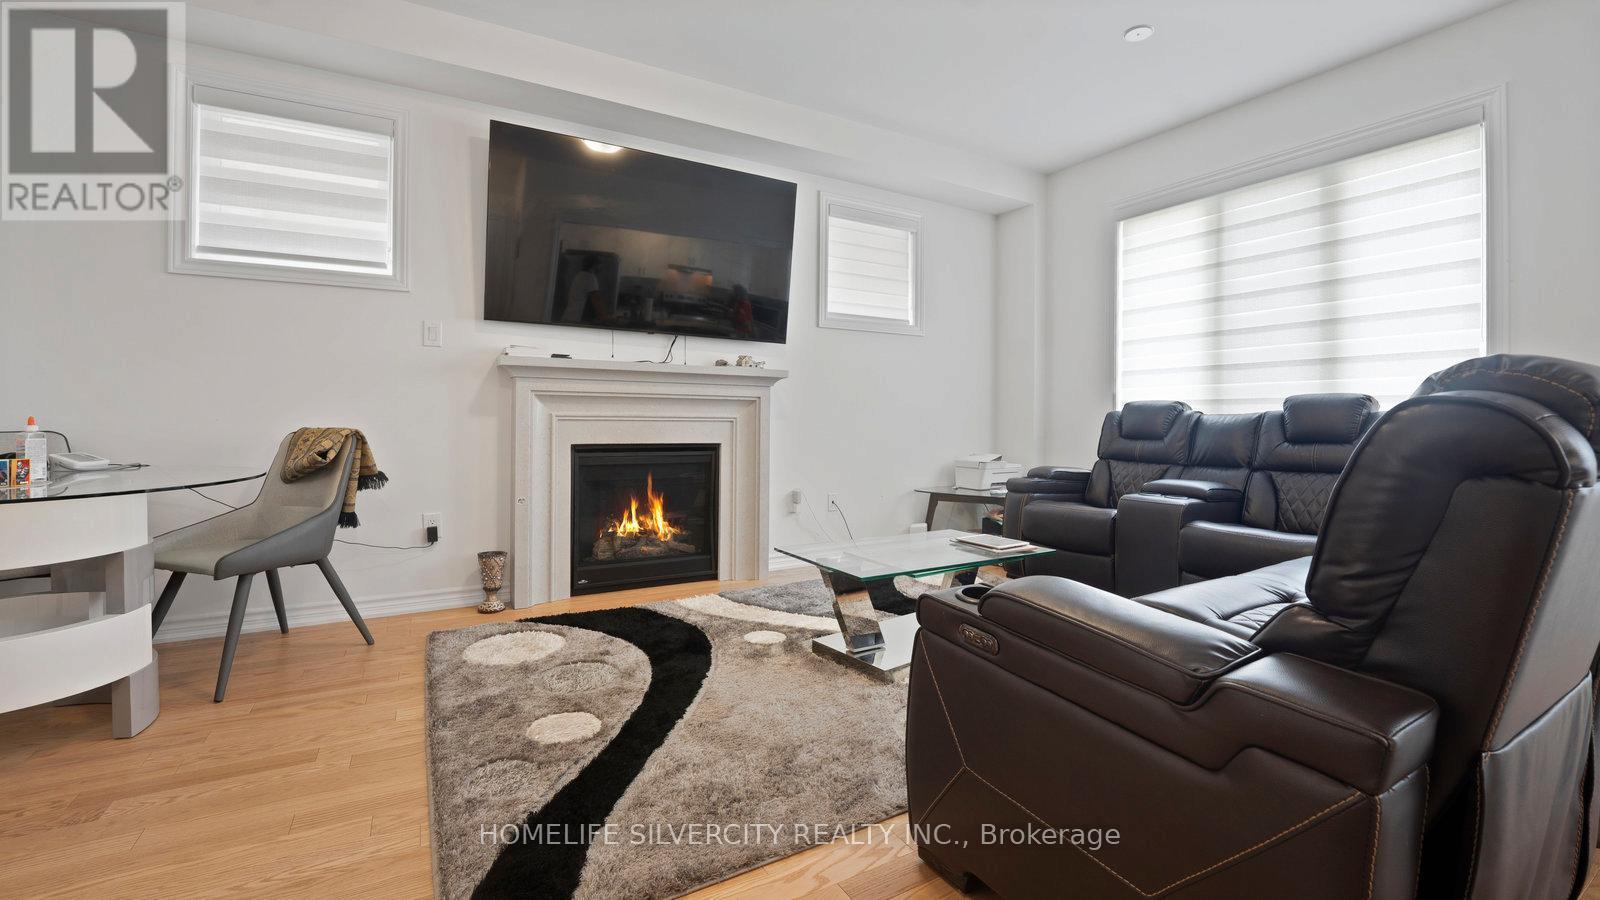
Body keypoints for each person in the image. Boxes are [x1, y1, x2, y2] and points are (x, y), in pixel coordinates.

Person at [563, 255, 604, 323]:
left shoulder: (580, 275)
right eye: (599, 265)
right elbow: (596, 299)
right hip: (574, 320)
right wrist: (605, 317)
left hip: (569, 317)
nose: (601, 268)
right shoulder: (590, 277)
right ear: (594, 265)